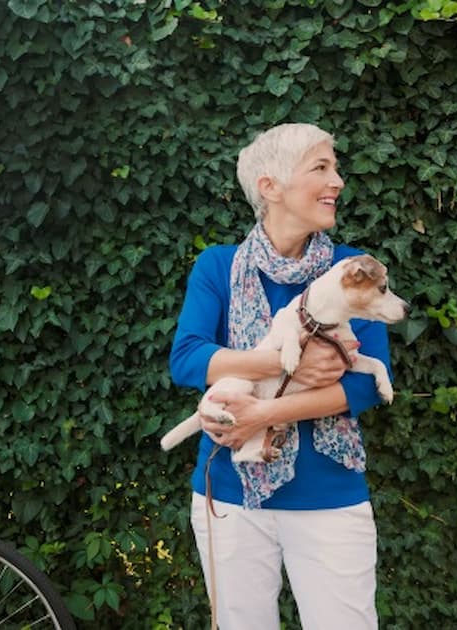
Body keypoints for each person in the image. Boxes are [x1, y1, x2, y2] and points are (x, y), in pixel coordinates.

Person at [169, 123, 392, 629]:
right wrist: (279, 363)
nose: (338, 180)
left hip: (329, 495)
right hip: (229, 493)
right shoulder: (218, 267)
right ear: (270, 186)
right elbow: (188, 357)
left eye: (335, 167)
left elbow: (361, 386)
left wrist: (265, 412)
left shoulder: (348, 269)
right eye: (321, 167)